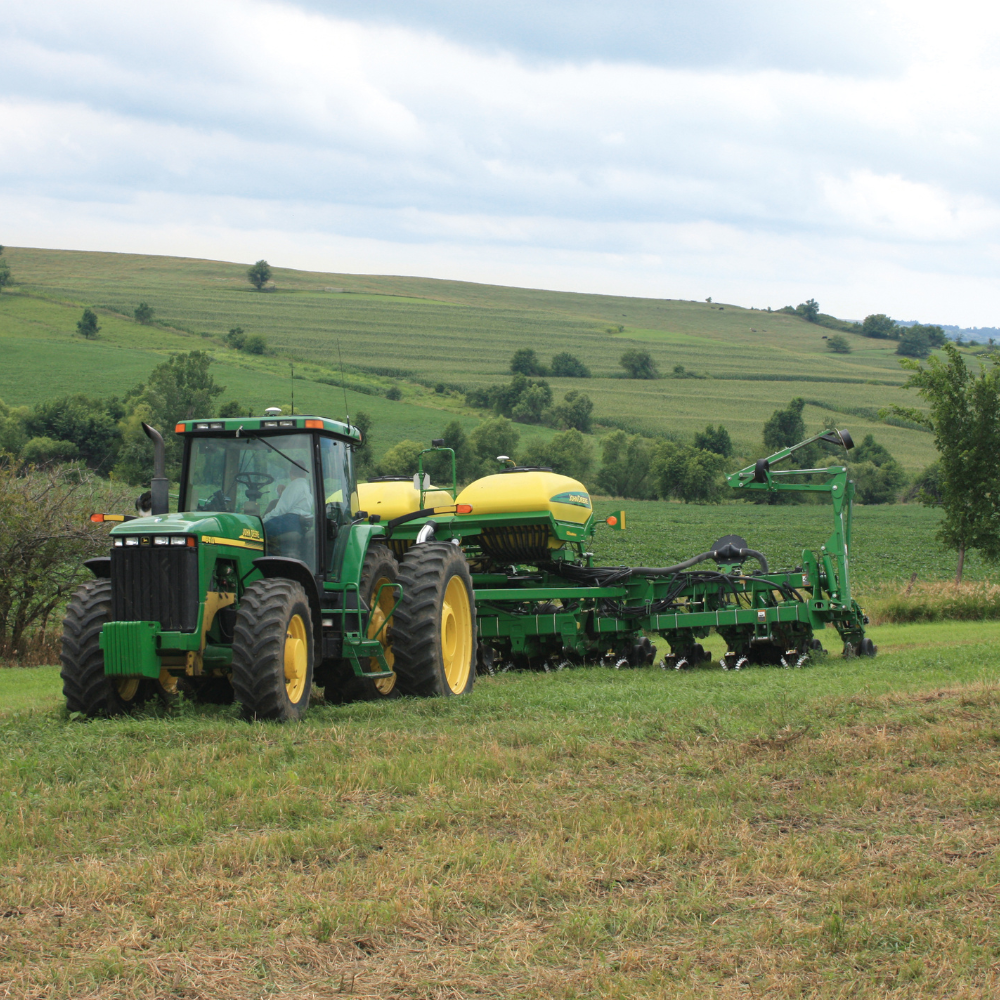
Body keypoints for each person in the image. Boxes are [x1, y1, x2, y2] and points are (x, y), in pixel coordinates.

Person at [262, 464, 313, 536]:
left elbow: (280, 510)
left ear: (290, 473)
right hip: (300, 523)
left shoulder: (294, 485)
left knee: (261, 531)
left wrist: (262, 521)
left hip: (290, 521)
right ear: (305, 474)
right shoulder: (307, 488)